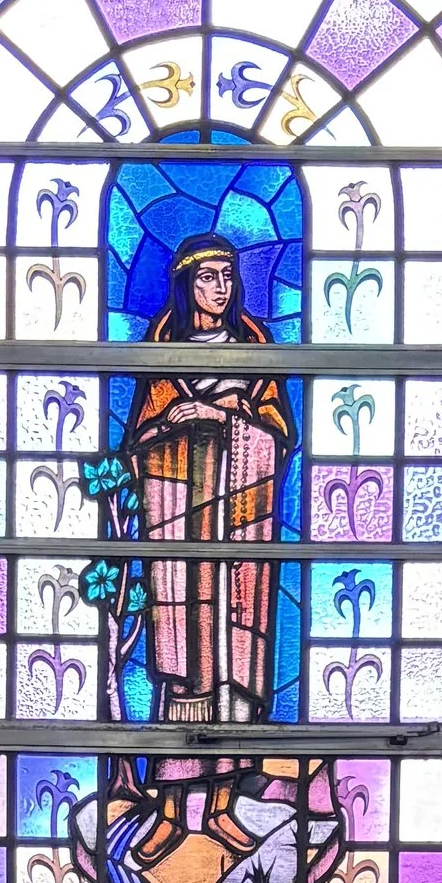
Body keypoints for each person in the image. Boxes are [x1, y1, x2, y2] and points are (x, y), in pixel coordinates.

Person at [122, 233, 295, 723]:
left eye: (227, 276)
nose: (220, 287)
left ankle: (225, 793)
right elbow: (139, 441)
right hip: (180, 523)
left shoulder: (254, 348)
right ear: (185, 284)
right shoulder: (161, 351)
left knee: (229, 637)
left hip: (238, 519)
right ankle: (175, 799)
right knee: (186, 647)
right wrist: (175, 421)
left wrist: (224, 419)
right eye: (207, 277)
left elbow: (277, 435)